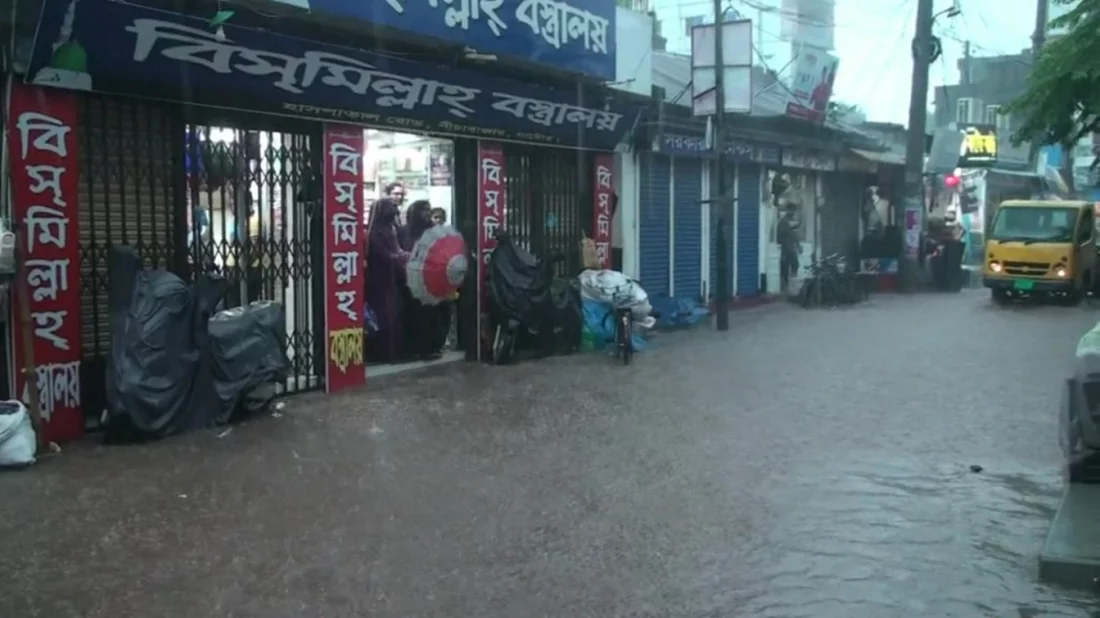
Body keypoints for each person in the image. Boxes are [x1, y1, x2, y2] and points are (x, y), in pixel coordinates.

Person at [365, 198, 410, 363]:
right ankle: (382, 353)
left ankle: (393, 352)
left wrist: (403, 256)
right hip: (379, 280)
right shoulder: (374, 232)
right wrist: (401, 257)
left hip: (392, 279)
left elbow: (397, 250)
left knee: (393, 315)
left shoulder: (391, 229)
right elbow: (383, 254)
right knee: (383, 317)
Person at [400, 200, 446, 360]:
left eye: (428, 209)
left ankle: (432, 347)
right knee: (415, 315)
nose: (427, 213)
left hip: (429, 279)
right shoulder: (404, 231)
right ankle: (416, 348)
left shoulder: (433, 231)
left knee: (431, 314)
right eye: (423, 210)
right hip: (411, 279)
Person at [777, 207, 802, 293]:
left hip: (792, 247)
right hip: (785, 248)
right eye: (791, 210)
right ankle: (784, 288)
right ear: (788, 210)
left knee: (795, 264)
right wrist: (788, 228)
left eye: (794, 210)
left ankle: (792, 285)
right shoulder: (783, 221)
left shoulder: (793, 220)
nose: (793, 212)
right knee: (784, 268)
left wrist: (799, 246)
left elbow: (796, 235)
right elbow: (779, 236)